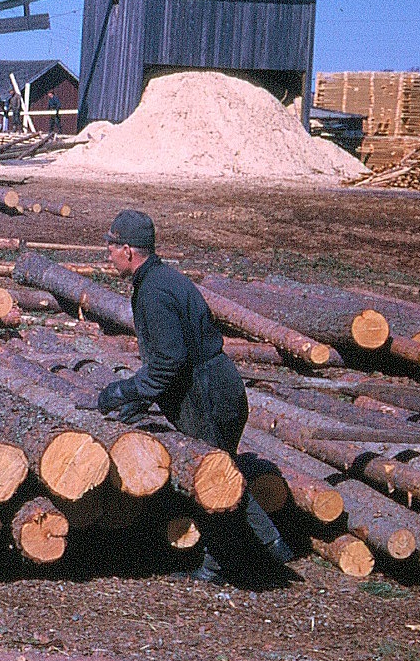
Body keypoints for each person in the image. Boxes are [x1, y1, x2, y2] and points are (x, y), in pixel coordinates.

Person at [96, 209, 293, 583]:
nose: (107, 254)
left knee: (214, 477)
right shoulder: (161, 280)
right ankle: (236, 560)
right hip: (215, 385)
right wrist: (137, 402)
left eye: (110, 246)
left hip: (206, 394)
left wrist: (123, 392)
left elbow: (169, 361)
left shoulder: (154, 291)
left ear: (127, 250)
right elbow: (168, 358)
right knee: (216, 473)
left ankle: (269, 554)